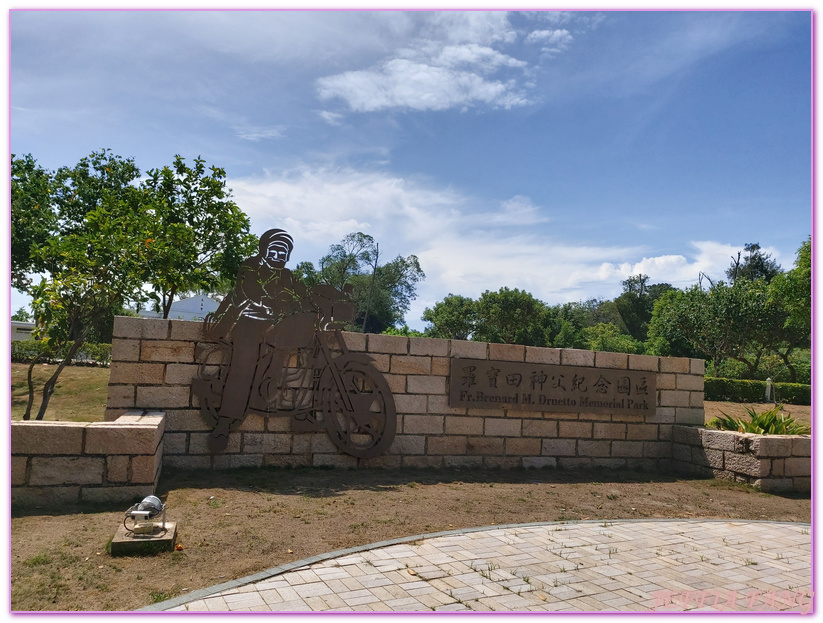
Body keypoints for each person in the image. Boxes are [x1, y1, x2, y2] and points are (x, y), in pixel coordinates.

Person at [203, 228, 316, 447]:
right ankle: (224, 423)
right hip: (248, 323)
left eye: (282, 253)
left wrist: (313, 305)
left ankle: (293, 406)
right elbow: (249, 287)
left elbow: (301, 293)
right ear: (264, 250)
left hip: (274, 326)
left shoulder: (286, 275)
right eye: (274, 251)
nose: (277, 257)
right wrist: (268, 302)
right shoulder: (250, 265)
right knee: (242, 367)